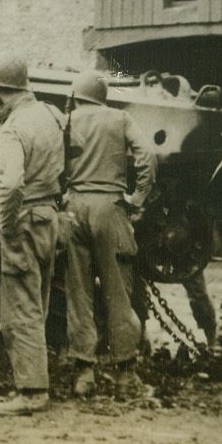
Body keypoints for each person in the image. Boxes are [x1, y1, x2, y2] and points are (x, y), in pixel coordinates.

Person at [63, 70, 157, 399]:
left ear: (77, 95)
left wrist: (64, 193)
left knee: (79, 294)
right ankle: (125, 376)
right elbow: (147, 156)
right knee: (118, 293)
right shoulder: (120, 118)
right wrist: (137, 198)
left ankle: (84, 374)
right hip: (111, 208)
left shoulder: (67, 119)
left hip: (74, 208)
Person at [0, 51, 64, 417]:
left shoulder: (13, 125)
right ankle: (33, 380)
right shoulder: (50, 114)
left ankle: (32, 392)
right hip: (49, 214)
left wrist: (7, 225)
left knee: (21, 308)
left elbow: (11, 182)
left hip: (25, 219)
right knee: (39, 302)